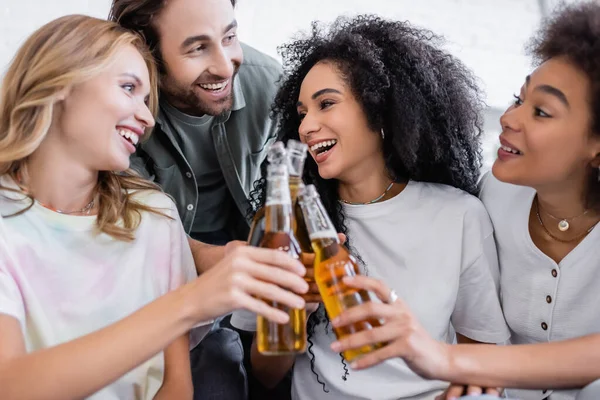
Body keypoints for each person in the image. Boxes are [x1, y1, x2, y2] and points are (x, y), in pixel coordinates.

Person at [0, 15, 309, 400]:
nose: (147, 119)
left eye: (147, 101)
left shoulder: (154, 216)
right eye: (128, 88)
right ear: (61, 82)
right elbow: (10, 384)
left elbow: (174, 385)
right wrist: (191, 301)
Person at [328, 3, 600, 400]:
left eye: (541, 111)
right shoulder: (494, 196)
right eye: (517, 98)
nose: (509, 117)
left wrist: (446, 360)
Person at [232, 15, 510, 400]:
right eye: (301, 113)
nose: (307, 126)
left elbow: (481, 356)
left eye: (326, 104)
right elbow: (263, 375)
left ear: (379, 110)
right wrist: (299, 308)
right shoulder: (286, 225)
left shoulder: (459, 215)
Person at [109, 0, 282, 253]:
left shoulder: (271, 84)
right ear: (146, 50)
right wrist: (211, 259)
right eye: (198, 48)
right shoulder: (119, 111)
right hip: (159, 251)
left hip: (245, 237)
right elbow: (136, 226)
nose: (225, 68)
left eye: (229, 37)